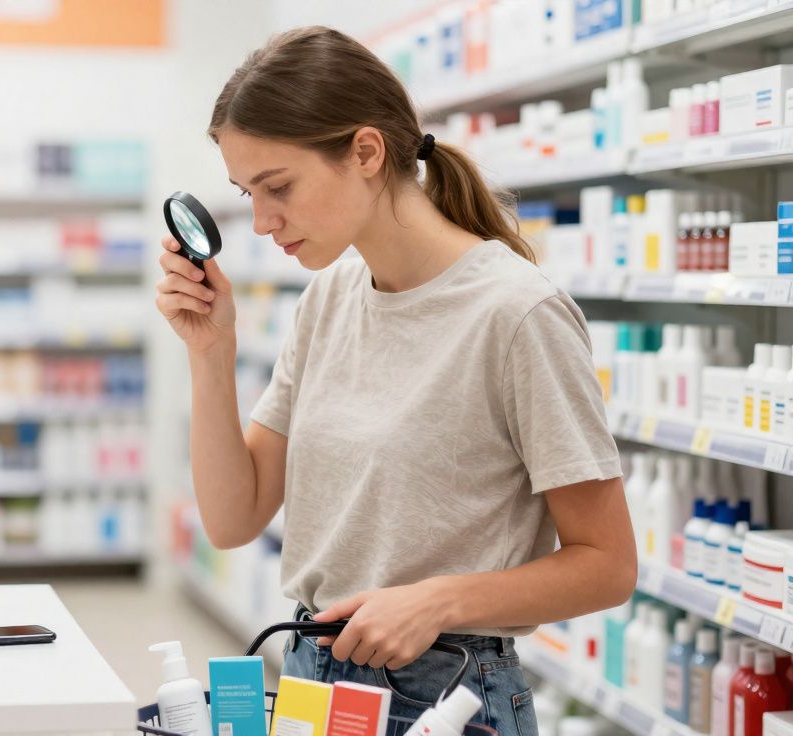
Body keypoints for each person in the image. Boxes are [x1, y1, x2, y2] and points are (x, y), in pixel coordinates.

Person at [154, 26, 635, 736]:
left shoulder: (516, 313)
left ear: (366, 152)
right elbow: (233, 518)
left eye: (277, 187)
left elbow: (608, 565)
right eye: (247, 193)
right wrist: (209, 350)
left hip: (447, 694)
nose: (260, 222)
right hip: (312, 676)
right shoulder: (328, 299)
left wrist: (435, 601)